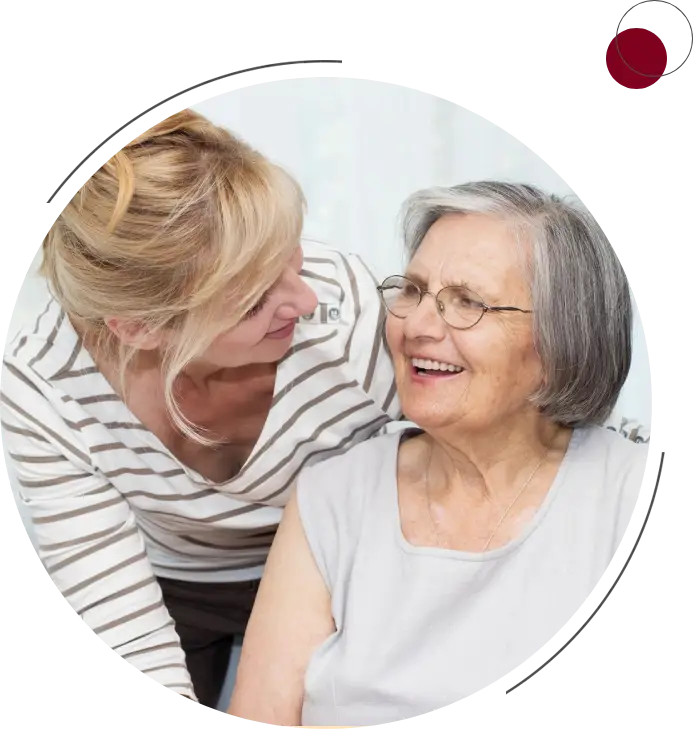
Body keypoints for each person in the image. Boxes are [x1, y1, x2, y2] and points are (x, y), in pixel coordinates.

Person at [0, 109, 400, 713]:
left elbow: (460, 474)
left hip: (332, 565)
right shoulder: (42, 383)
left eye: (291, 257)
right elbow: (119, 617)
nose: (305, 297)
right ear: (139, 328)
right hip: (175, 585)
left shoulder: (347, 322)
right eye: (255, 300)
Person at [227, 181, 652, 726]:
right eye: (413, 290)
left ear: (561, 341)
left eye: (468, 302)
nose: (418, 327)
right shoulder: (333, 495)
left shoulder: (625, 496)